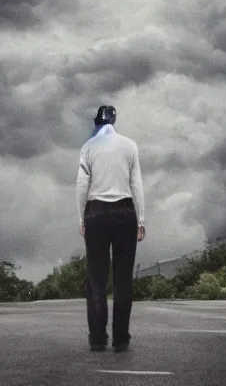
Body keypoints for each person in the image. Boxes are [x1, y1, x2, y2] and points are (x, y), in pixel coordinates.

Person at [75, 105, 145, 353]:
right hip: (125, 212)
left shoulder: (88, 148)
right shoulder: (130, 146)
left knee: (96, 279)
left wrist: (81, 218)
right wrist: (141, 220)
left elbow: (82, 186)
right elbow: (136, 184)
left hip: (96, 212)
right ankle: (121, 339)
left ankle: (97, 339)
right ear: (115, 121)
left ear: (97, 123)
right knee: (123, 279)